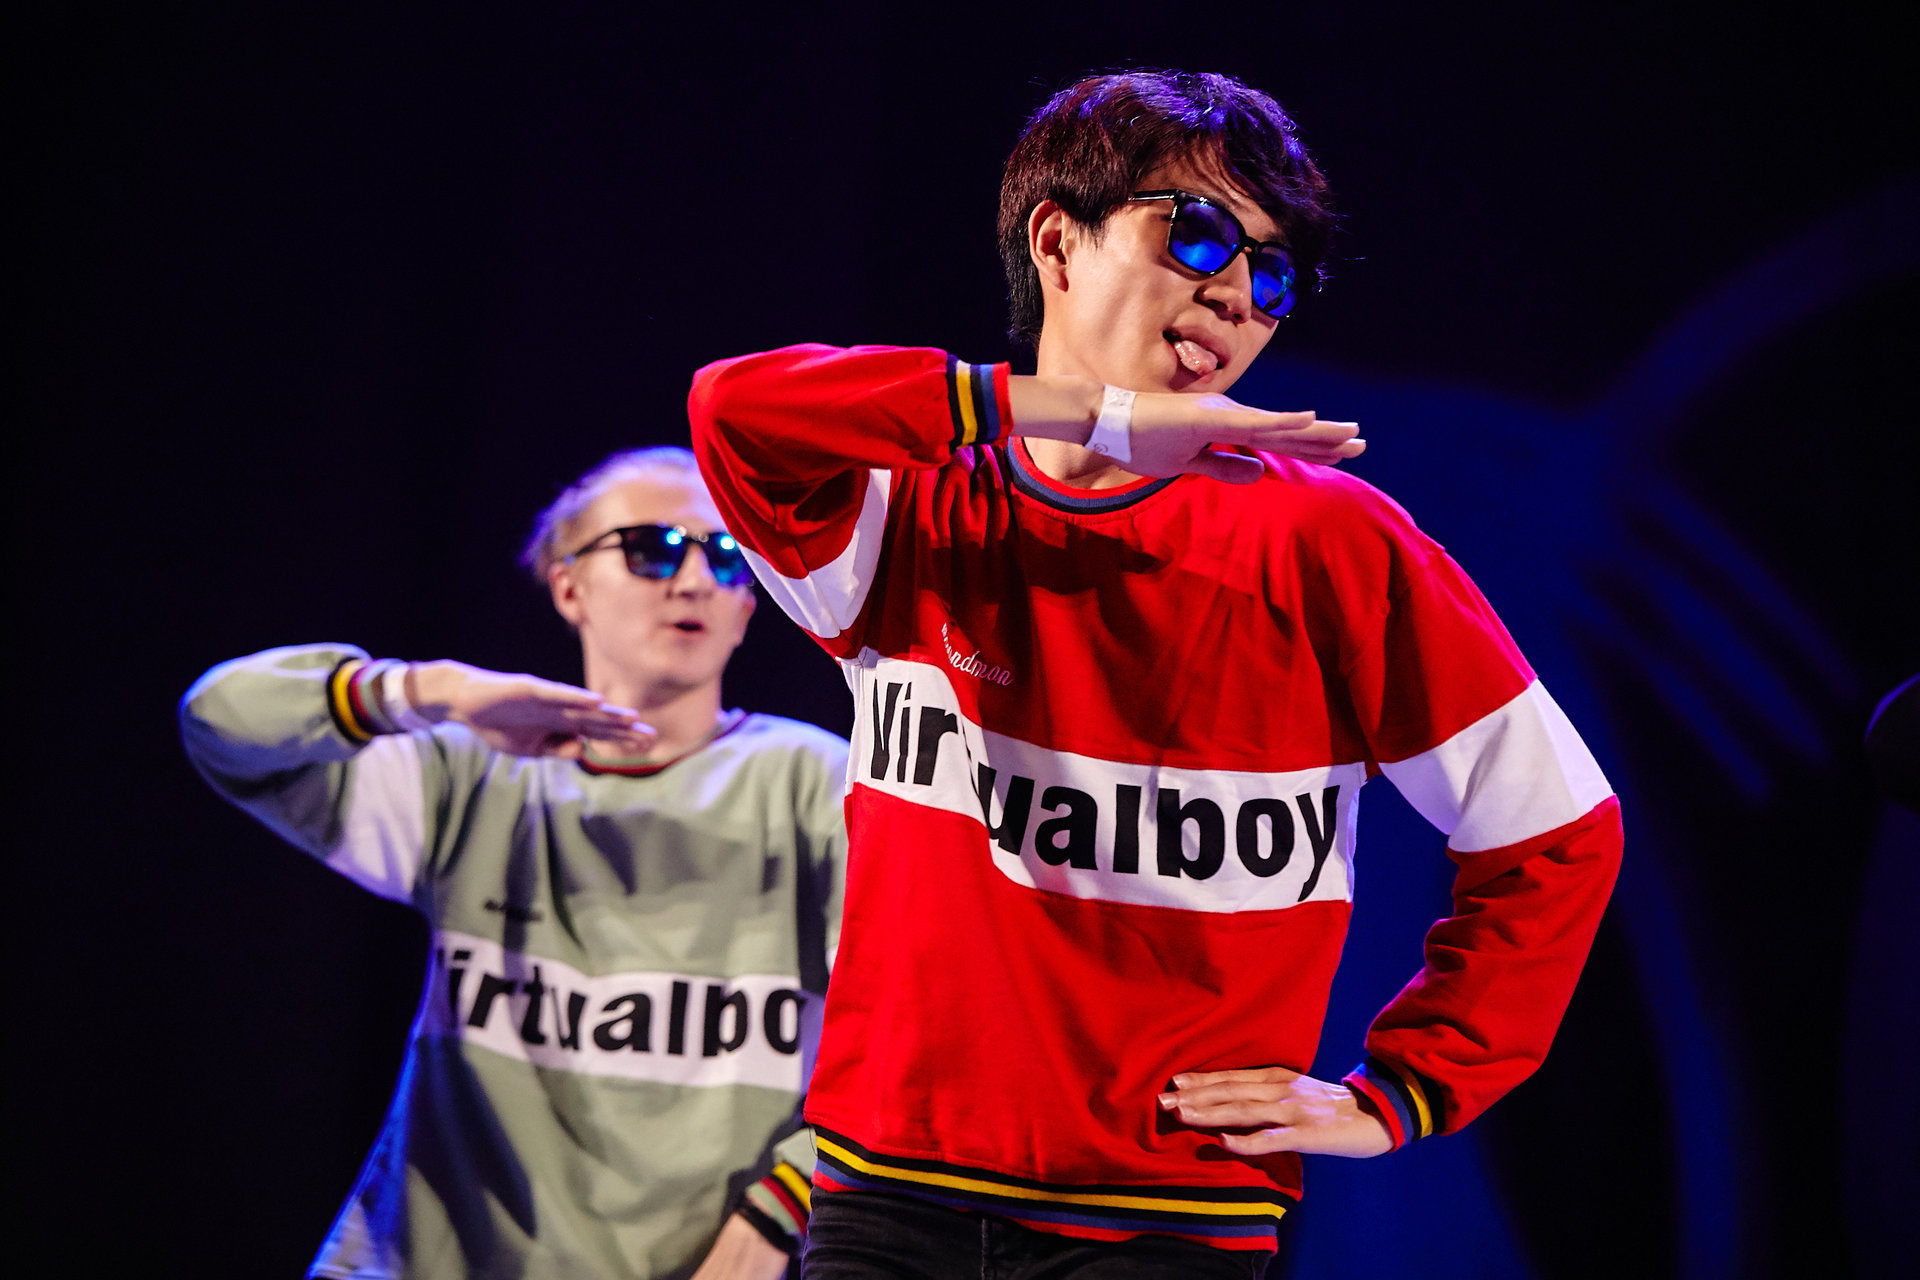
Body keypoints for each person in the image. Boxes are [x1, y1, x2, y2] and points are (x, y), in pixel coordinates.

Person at [687, 70, 1623, 1277]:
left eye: (1273, 275)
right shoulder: (908, 509)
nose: (1236, 292)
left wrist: (1404, 1090)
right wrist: (1083, 414)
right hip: (887, 1189)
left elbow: (1558, 831)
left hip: (1171, 1215)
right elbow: (735, 410)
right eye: (1201, 233)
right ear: (1056, 241)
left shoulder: (1332, 539)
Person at [180, 446, 849, 1280]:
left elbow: (914, 1039)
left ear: (750, 605)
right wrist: (435, 692)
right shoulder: (473, 772)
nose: (693, 580)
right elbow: (221, 726)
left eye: (724, 556)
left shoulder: (818, 784)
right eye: (652, 549)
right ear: (569, 586)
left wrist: (778, 1215)